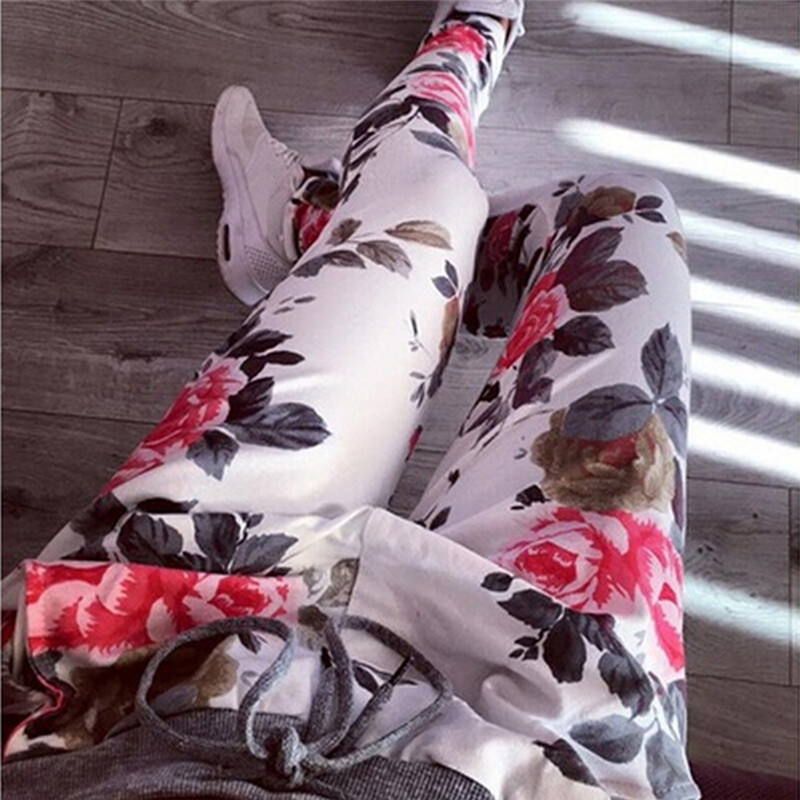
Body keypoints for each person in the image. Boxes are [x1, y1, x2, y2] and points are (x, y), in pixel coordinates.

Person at [1, 1, 697, 797]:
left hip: (163, 658)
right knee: (622, 217)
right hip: (554, 741)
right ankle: (320, 220)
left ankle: (441, 72)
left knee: (430, 201)